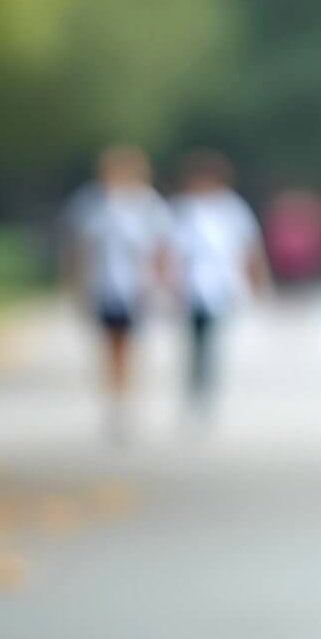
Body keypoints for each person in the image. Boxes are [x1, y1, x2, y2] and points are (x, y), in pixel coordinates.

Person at [63, 145, 173, 441]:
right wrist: (76, 284)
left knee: (130, 345)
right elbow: (79, 248)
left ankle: (126, 397)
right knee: (109, 345)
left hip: (137, 288)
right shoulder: (92, 203)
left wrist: (162, 284)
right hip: (103, 286)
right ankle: (115, 398)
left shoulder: (149, 204)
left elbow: (160, 247)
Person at [168, 149, 268, 417]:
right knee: (194, 337)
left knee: (211, 338)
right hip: (190, 284)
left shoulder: (232, 208)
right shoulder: (183, 209)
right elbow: (169, 249)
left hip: (222, 283)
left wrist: (256, 281)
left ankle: (205, 386)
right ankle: (195, 385)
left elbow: (248, 247)